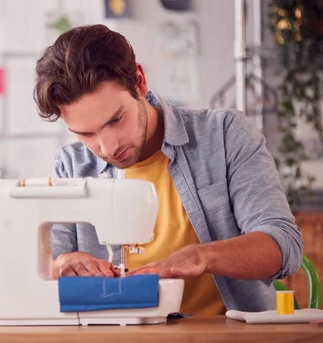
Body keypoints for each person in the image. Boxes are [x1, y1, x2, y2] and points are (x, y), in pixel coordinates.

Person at [33, 24, 303, 315]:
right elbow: (48, 268)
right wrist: (61, 264)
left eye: (115, 120)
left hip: (226, 334)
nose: (107, 147)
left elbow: (283, 245)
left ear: (139, 81)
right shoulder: (72, 165)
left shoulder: (224, 135)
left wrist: (203, 256)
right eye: (86, 134)